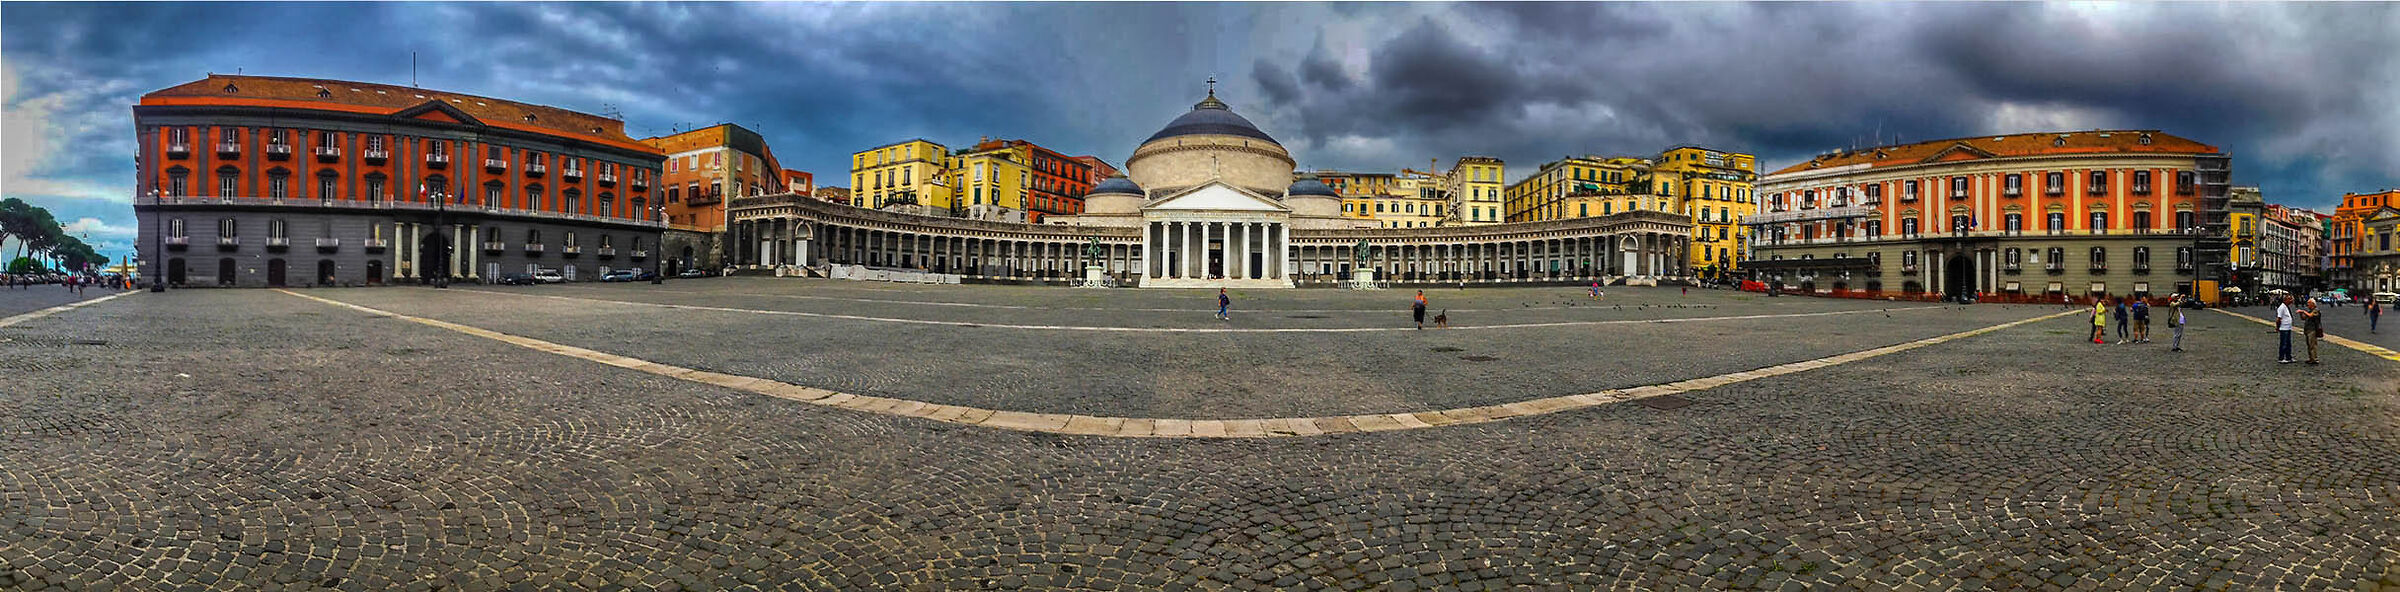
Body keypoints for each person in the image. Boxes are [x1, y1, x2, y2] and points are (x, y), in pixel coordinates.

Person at [2302, 299, 2324, 365]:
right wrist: (2301, 314)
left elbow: (2310, 315)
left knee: (2312, 345)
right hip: (2307, 329)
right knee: (2309, 345)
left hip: (2313, 330)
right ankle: (2311, 358)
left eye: (2308, 303)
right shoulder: (2310, 311)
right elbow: (2303, 318)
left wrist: (2303, 311)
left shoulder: (2316, 310)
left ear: (2312, 304)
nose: (2307, 305)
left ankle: (2314, 359)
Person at [2276, 295, 2296, 364]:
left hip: (2288, 328)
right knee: (2283, 344)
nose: (2291, 300)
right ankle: (2281, 358)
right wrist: (2277, 327)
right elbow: (2278, 319)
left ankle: (2288, 357)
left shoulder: (2286, 307)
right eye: (2289, 299)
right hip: (2284, 328)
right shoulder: (2281, 308)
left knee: (2288, 344)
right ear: (2285, 300)